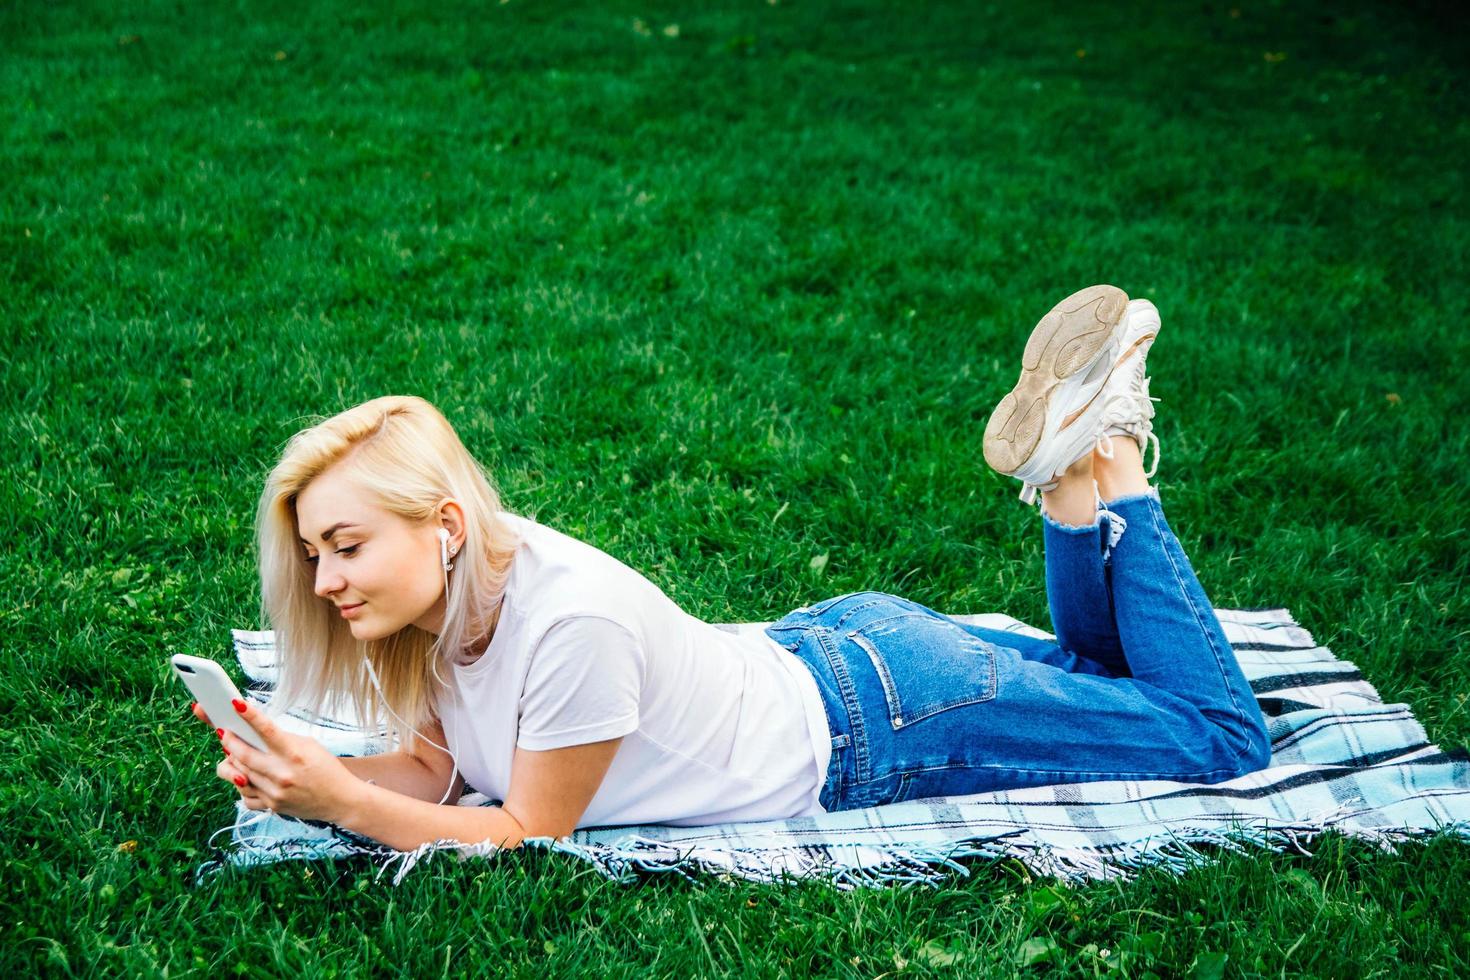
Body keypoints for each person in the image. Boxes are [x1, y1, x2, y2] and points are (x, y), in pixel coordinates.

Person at [194, 284, 1272, 852]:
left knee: (1212, 734)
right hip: (847, 656)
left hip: (890, 720)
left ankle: (1114, 463)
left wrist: (344, 801)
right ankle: (1068, 485)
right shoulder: (449, 599)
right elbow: (433, 776)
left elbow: (520, 830)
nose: (326, 581)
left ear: (439, 523)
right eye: (311, 556)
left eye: (345, 546)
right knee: (1100, 680)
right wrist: (308, 771)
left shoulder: (568, 625)